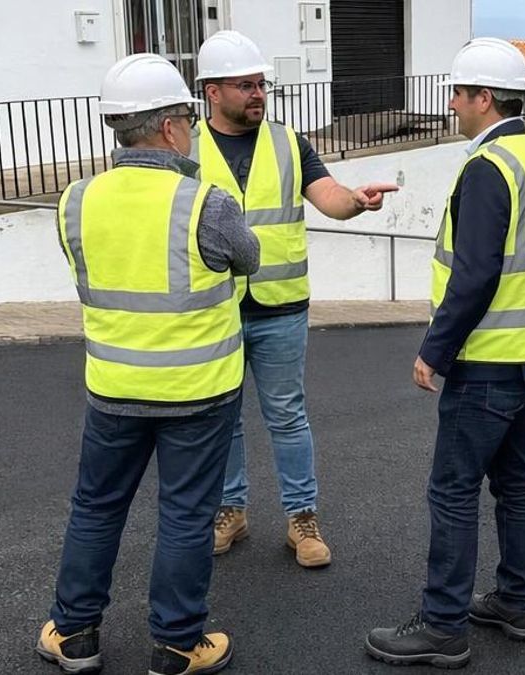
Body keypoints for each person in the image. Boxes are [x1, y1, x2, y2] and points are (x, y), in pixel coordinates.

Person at [36, 54, 258, 675]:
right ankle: (177, 645)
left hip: (113, 387)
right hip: (198, 390)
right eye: (186, 119)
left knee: (96, 507)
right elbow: (249, 261)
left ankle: (74, 635)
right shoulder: (206, 204)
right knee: (186, 515)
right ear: (169, 128)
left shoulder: (76, 201)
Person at [366, 38, 525, 669]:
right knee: (515, 483)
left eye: (458, 93)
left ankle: (444, 625)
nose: (452, 104)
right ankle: (517, 602)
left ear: (484, 98)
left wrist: (435, 350)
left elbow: (476, 272)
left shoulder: (489, 168)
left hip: (487, 361)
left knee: (452, 490)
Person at [191, 30, 398, 567]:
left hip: (280, 307)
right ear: (212, 92)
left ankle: (302, 520)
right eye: (245, 85)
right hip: (212, 307)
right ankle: (229, 511)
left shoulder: (288, 142)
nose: (258, 94)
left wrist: (354, 201)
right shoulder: (185, 148)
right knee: (223, 415)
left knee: (287, 414)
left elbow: (325, 194)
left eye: (262, 84)